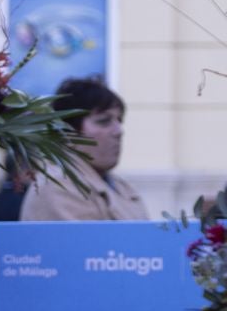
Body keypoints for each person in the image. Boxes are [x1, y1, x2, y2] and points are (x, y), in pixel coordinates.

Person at [19, 77, 147, 220]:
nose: (118, 131)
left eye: (119, 120)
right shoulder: (58, 185)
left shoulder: (120, 186)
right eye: (104, 121)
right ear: (69, 132)